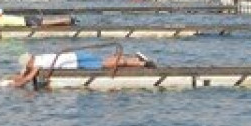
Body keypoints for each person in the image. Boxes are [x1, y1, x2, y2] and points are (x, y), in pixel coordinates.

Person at [10, 49, 156, 88]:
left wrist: (16, 84)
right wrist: (13, 78)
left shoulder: (37, 64)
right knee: (105, 62)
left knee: (105, 64)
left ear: (29, 62)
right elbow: (25, 73)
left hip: (77, 60)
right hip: (77, 57)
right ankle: (135, 59)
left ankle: (140, 63)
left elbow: (28, 77)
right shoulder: (38, 59)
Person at [0, 8, 74, 38]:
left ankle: (68, 20)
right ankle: (67, 21)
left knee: (47, 23)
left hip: (28, 21)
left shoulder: (1, 20)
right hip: (27, 20)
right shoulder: (2, 18)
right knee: (47, 23)